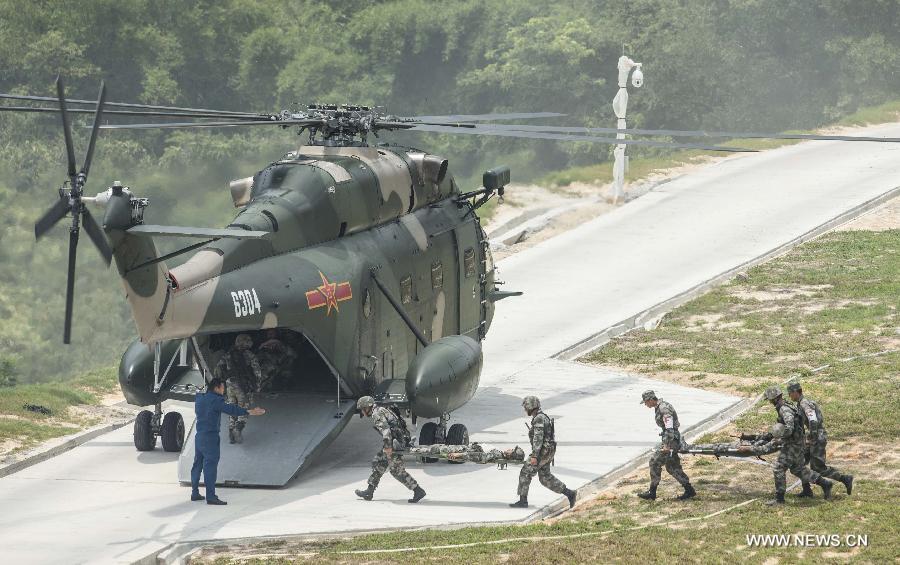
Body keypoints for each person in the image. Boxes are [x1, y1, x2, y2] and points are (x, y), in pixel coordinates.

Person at [191, 378, 265, 505]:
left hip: (199, 436)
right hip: (210, 437)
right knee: (210, 467)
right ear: (217, 388)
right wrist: (249, 411)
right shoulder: (215, 400)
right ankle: (211, 496)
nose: (224, 390)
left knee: (197, 464)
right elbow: (230, 409)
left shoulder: (200, 399)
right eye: (222, 387)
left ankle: (195, 493)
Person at [760, 386, 833, 505]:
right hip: (798, 443)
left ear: (774, 398)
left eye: (769, 399)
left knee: (778, 468)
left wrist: (781, 438)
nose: (769, 402)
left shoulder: (784, 409)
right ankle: (824, 484)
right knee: (797, 469)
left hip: (792, 445)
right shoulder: (786, 406)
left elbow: (789, 427)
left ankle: (779, 499)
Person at [354, 396, 426, 503]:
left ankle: (418, 490)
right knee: (380, 462)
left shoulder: (376, 413)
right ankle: (370, 491)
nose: (362, 413)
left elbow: (386, 431)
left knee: (395, 470)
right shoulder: (381, 410)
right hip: (398, 441)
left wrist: (388, 448)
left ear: (367, 408)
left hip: (395, 444)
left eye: (362, 409)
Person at [509, 396, 577, 509]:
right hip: (548, 451)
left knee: (525, 472)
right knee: (545, 478)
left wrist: (535, 456)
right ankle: (570, 493)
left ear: (531, 406)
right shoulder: (541, 417)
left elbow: (538, 438)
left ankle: (523, 501)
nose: (525, 410)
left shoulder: (539, 418)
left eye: (526, 407)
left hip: (542, 452)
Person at [787, 382, 853, 497]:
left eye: (790, 393)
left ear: (796, 392)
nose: (789, 396)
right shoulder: (800, 403)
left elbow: (813, 420)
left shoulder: (804, 404)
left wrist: (812, 437)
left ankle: (845, 479)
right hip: (813, 436)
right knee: (798, 463)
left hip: (817, 437)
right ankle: (807, 490)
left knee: (818, 468)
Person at [637, 390, 696, 501]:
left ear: (650, 400)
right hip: (671, 439)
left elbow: (669, 428)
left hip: (671, 440)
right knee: (672, 467)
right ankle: (689, 490)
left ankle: (652, 492)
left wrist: (667, 445)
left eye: (646, 402)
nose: (645, 405)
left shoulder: (664, 409)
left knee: (654, 462)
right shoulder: (659, 407)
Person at [214, 333, 263, 444]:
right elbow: (257, 372)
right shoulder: (250, 355)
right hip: (243, 385)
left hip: (229, 385)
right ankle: (238, 429)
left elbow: (218, 369)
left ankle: (231, 433)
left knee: (232, 407)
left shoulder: (228, 354)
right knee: (244, 408)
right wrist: (257, 386)